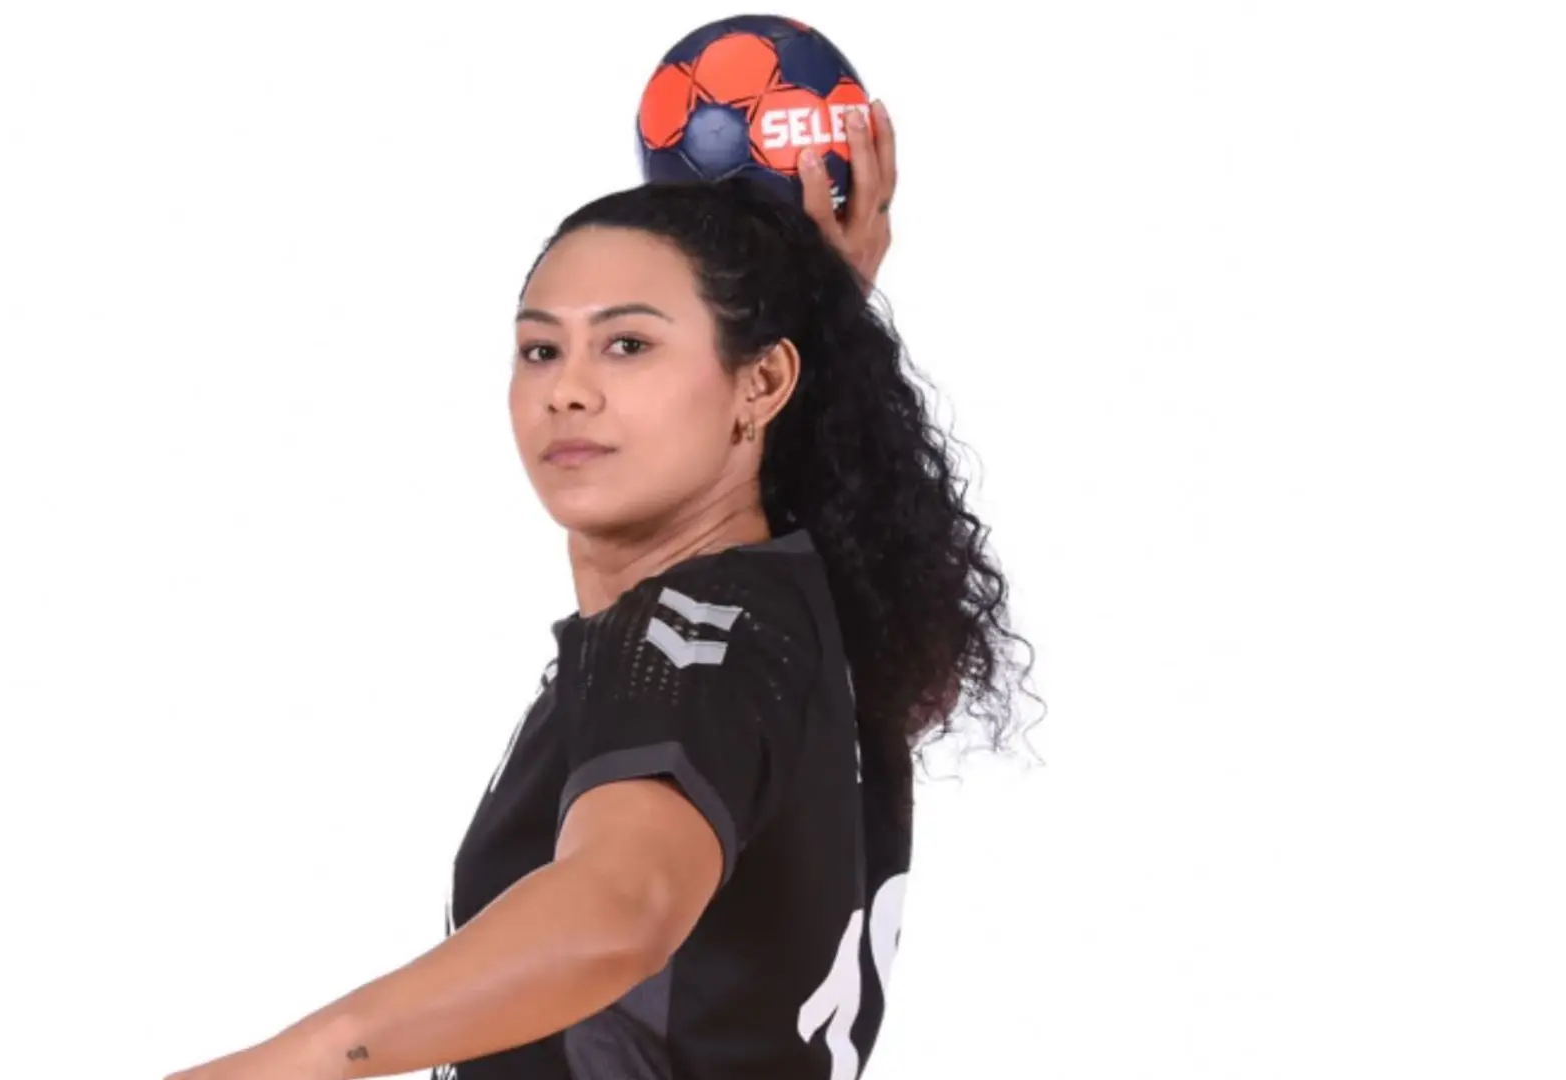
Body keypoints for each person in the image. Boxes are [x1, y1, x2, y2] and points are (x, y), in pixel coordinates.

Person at [169, 104, 1028, 1080]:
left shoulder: (688, 639)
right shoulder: (796, 610)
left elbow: (619, 911)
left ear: (763, 383)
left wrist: (293, 1064)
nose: (568, 390)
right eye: (542, 348)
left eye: (629, 345)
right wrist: (817, 303)